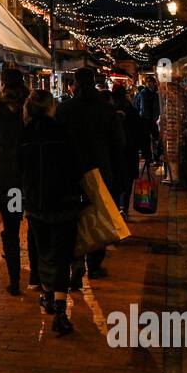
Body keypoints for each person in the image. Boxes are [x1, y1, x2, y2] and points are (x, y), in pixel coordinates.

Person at [19, 90, 84, 335]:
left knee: (43, 251)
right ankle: (59, 309)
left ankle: (47, 295)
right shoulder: (62, 132)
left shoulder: (24, 134)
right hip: (65, 203)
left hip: (36, 204)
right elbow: (77, 168)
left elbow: (19, 168)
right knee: (62, 255)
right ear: (50, 107)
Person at [56, 68, 126, 284]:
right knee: (98, 216)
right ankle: (94, 264)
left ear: (75, 84)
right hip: (100, 171)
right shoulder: (106, 109)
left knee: (73, 218)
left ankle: (75, 262)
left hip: (70, 171)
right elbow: (119, 144)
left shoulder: (65, 109)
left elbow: (56, 141)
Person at [0, 67, 37, 294]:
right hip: (30, 180)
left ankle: (14, 279)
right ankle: (35, 276)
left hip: (8, 183)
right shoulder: (31, 108)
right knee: (33, 225)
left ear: (2, 84)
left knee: (11, 229)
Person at [111, 83, 147, 217]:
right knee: (128, 180)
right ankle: (123, 207)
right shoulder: (131, 110)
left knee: (116, 180)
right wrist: (145, 151)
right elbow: (140, 132)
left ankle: (116, 208)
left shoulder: (109, 110)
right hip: (130, 150)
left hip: (115, 151)